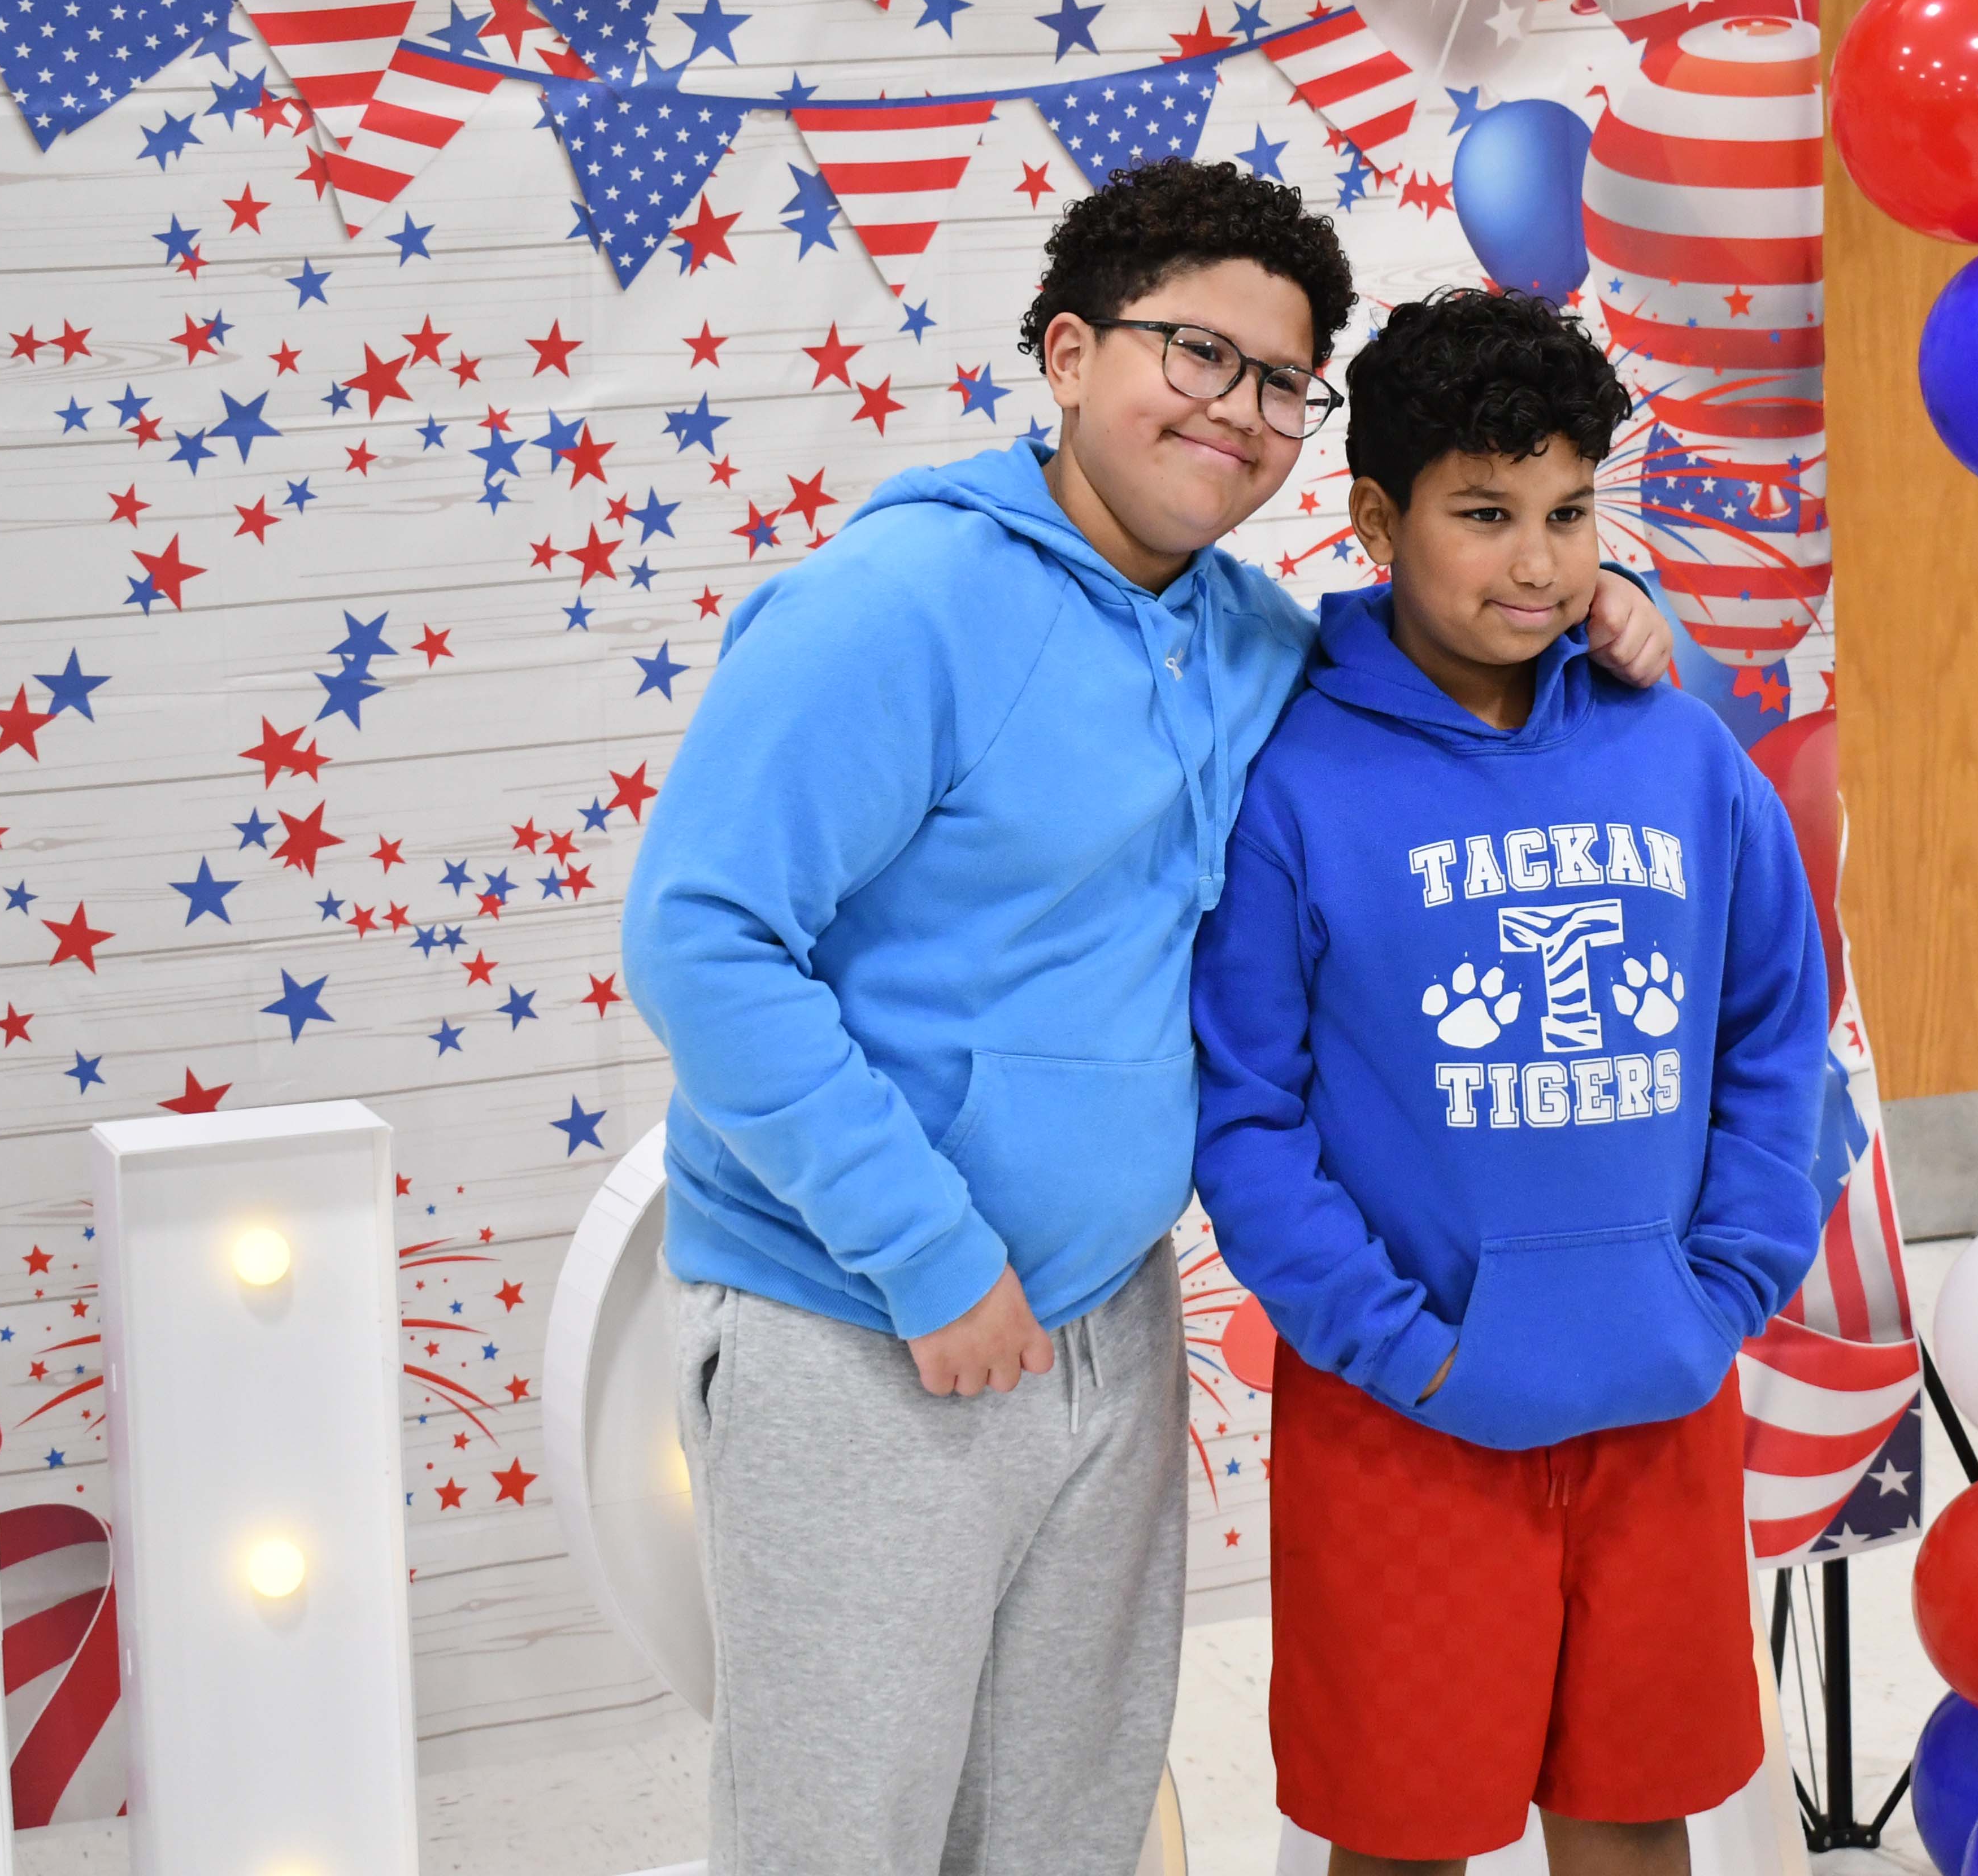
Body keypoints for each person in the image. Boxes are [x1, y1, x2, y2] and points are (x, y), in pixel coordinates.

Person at [617, 164, 1672, 1876]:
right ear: (1066, 351)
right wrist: (925, 1253)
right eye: (1197, 354)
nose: (1237, 411)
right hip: (866, 1318)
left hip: (1107, 1321)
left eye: (1279, 382)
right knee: (846, 1831)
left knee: (1066, 1822)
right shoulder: (899, 605)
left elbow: (1463, 632)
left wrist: (1622, 613)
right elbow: (703, 942)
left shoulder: (1248, 637)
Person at [1189, 290, 1834, 1876]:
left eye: (1565, 514)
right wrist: (1399, 1352)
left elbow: (1775, 1041)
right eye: (1485, 515)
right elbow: (1245, 1114)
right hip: (1407, 1423)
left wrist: (1727, 1286)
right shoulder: (1291, 780)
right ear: (1374, 517)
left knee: (1631, 1809)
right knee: (1401, 1833)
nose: (1537, 564)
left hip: (1656, 1397)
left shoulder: (1683, 757)